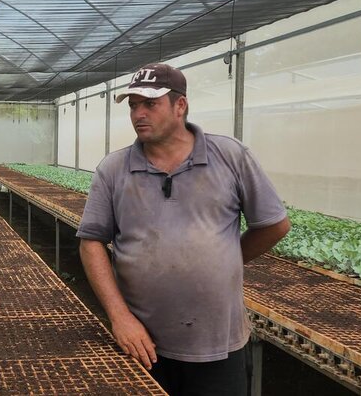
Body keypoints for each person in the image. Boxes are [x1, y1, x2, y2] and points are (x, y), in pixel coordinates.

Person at [76, 63, 290, 395]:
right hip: (141, 343)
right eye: (133, 105)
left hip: (218, 342)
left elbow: (274, 225)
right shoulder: (114, 169)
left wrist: (227, 258)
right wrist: (120, 318)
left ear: (180, 106)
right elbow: (91, 243)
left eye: (150, 103)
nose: (138, 114)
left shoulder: (230, 156)